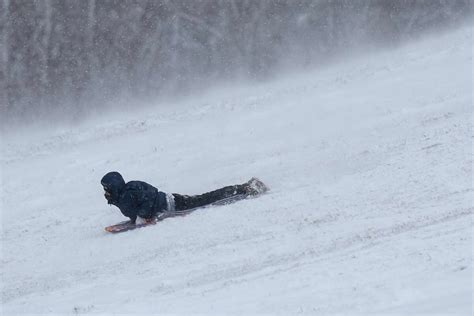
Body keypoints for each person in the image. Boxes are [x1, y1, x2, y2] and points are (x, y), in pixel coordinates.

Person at [101, 171, 268, 224]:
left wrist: (145, 215)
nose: (105, 192)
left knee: (209, 200)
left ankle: (246, 189)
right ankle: (244, 187)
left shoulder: (126, 195)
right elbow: (151, 190)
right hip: (170, 198)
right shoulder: (129, 187)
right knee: (205, 198)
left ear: (114, 187)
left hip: (171, 205)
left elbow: (148, 198)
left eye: (107, 189)